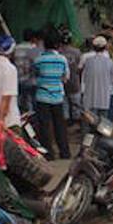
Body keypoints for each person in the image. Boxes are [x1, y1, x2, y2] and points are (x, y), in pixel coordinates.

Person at [33, 29, 71, 159]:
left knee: (44, 126)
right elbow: (65, 77)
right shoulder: (62, 60)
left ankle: (48, 153)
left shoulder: (38, 60)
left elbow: (35, 76)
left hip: (42, 96)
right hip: (57, 97)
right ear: (58, 45)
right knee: (59, 125)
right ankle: (64, 152)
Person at [81, 35, 113, 123]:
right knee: (103, 122)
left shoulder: (87, 61)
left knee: (90, 121)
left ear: (93, 47)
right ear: (105, 47)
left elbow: (83, 77)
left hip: (89, 96)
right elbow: (112, 81)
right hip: (104, 97)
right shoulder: (110, 62)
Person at [14, 28, 42, 113]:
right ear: (33, 38)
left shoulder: (16, 47)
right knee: (32, 103)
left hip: (18, 79)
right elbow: (38, 65)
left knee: (21, 102)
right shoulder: (34, 49)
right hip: (31, 80)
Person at [60, 30, 82, 124]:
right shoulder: (77, 52)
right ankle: (76, 123)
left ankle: (67, 122)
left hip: (62, 82)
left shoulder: (58, 52)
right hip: (74, 82)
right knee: (76, 105)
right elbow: (79, 67)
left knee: (64, 104)